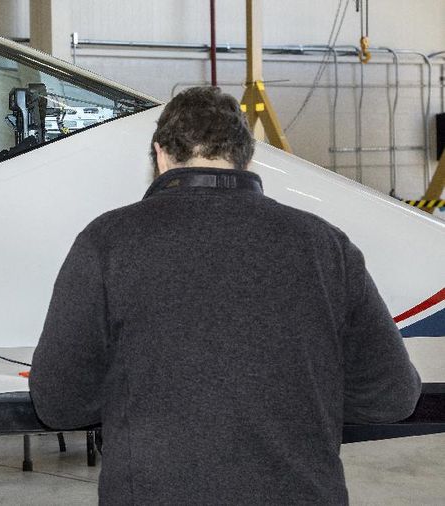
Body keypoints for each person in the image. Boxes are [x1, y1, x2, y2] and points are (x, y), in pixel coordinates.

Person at [29, 86, 421, 504]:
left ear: (160, 156)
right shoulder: (324, 244)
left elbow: (59, 402)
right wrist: (301, 402)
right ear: (247, 158)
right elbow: (392, 396)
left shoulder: (107, 241)